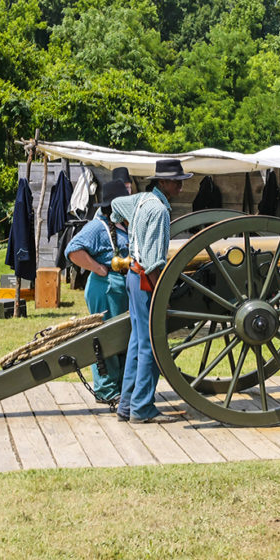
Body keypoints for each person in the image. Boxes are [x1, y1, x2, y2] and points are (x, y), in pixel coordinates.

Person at [110, 159, 193, 424]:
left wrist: (118, 222)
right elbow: (155, 262)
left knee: (138, 343)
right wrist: (164, 296)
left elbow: (115, 206)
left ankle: (126, 405)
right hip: (147, 280)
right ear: (162, 182)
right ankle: (142, 408)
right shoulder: (158, 211)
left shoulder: (142, 200)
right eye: (176, 180)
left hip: (133, 277)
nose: (180, 184)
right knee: (152, 346)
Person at [65, 180, 131, 404]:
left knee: (121, 337)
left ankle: (120, 387)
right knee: (106, 339)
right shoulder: (98, 227)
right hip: (106, 288)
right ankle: (107, 390)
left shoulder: (122, 225)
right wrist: (98, 268)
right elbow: (72, 250)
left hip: (120, 288)